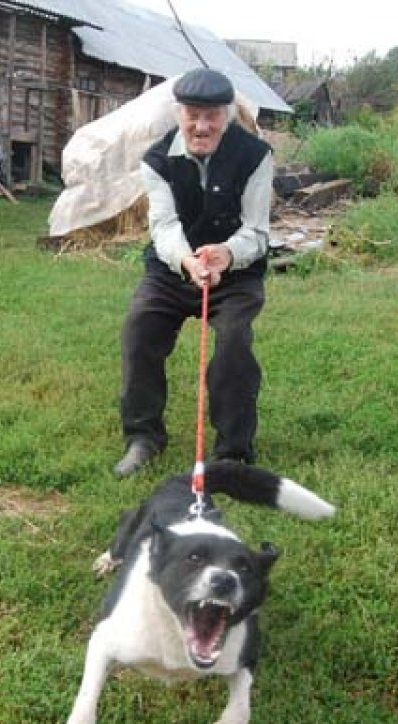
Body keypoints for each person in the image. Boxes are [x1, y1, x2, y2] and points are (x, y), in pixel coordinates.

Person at [113, 68, 274, 477]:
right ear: (178, 111)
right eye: (193, 114)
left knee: (234, 343)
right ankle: (143, 437)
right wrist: (188, 262)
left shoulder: (255, 155)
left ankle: (233, 453)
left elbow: (256, 231)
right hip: (173, 267)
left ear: (228, 114)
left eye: (212, 116)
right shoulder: (156, 159)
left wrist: (225, 254)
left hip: (234, 273)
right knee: (139, 329)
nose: (201, 125)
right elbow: (164, 227)